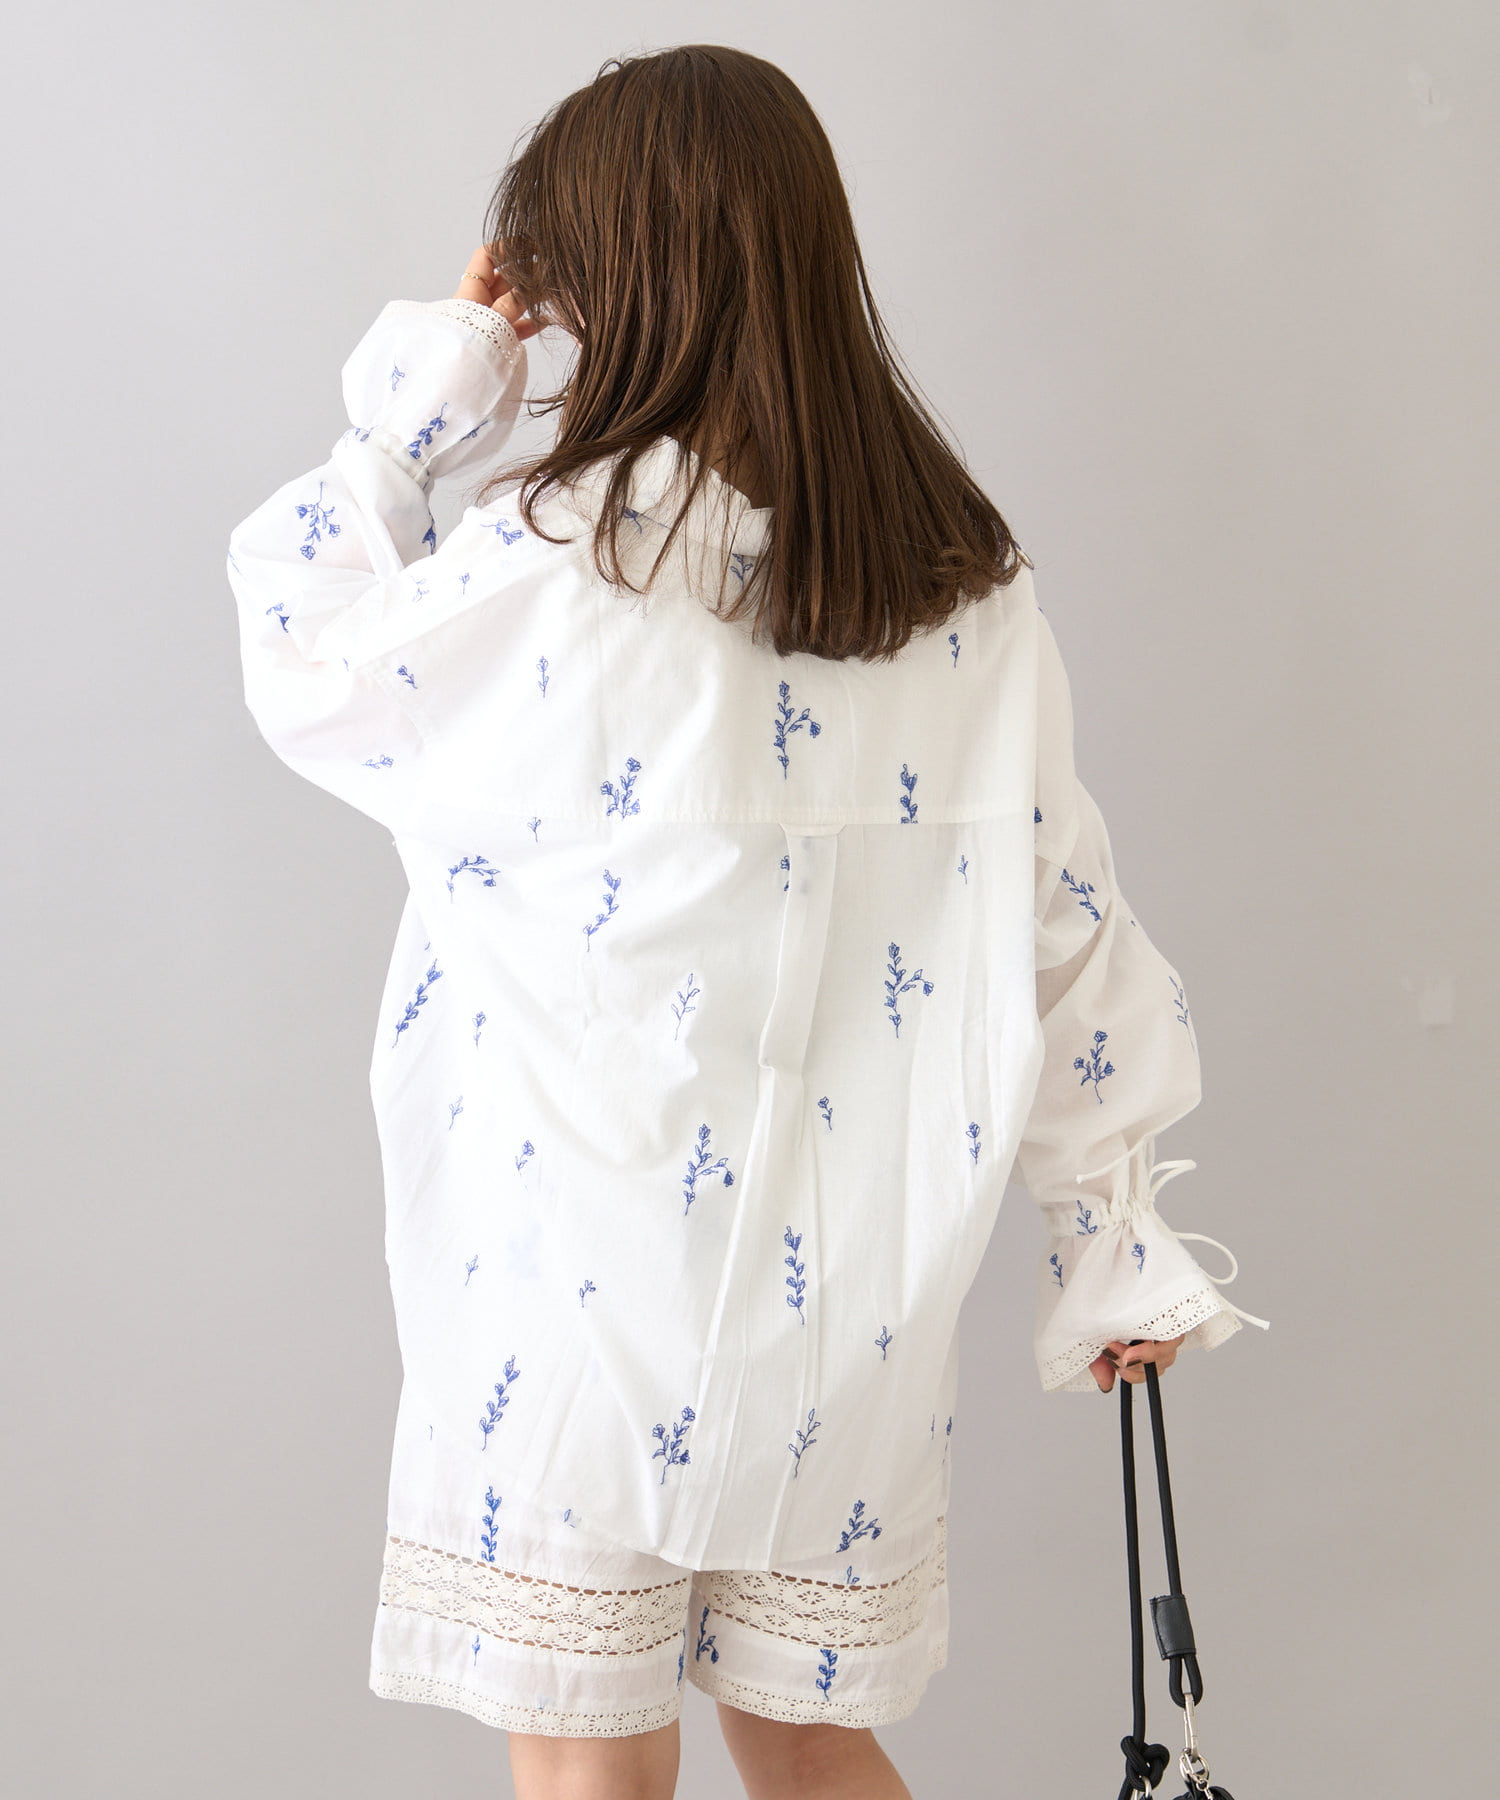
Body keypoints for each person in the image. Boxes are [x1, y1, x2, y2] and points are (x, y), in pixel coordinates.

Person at [224, 42, 1268, 1800]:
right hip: (843, 1321)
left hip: (574, 1294)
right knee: (806, 1739)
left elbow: (304, 651)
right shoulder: (958, 588)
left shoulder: (558, 563)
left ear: (606, 285)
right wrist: (1111, 1228)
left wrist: (420, 409)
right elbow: (1062, 912)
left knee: (592, 1772)